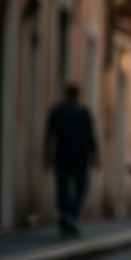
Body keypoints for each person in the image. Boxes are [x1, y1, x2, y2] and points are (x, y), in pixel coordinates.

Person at [44, 83, 100, 238]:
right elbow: (90, 136)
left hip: (61, 155)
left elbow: (49, 136)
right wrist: (95, 156)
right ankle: (71, 213)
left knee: (62, 188)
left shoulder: (57, 111)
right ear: (77, 96)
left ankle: (64, 220)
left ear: (66, 95)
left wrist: (47, 156)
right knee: (81, 187)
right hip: (80, 156)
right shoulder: (83, 112)